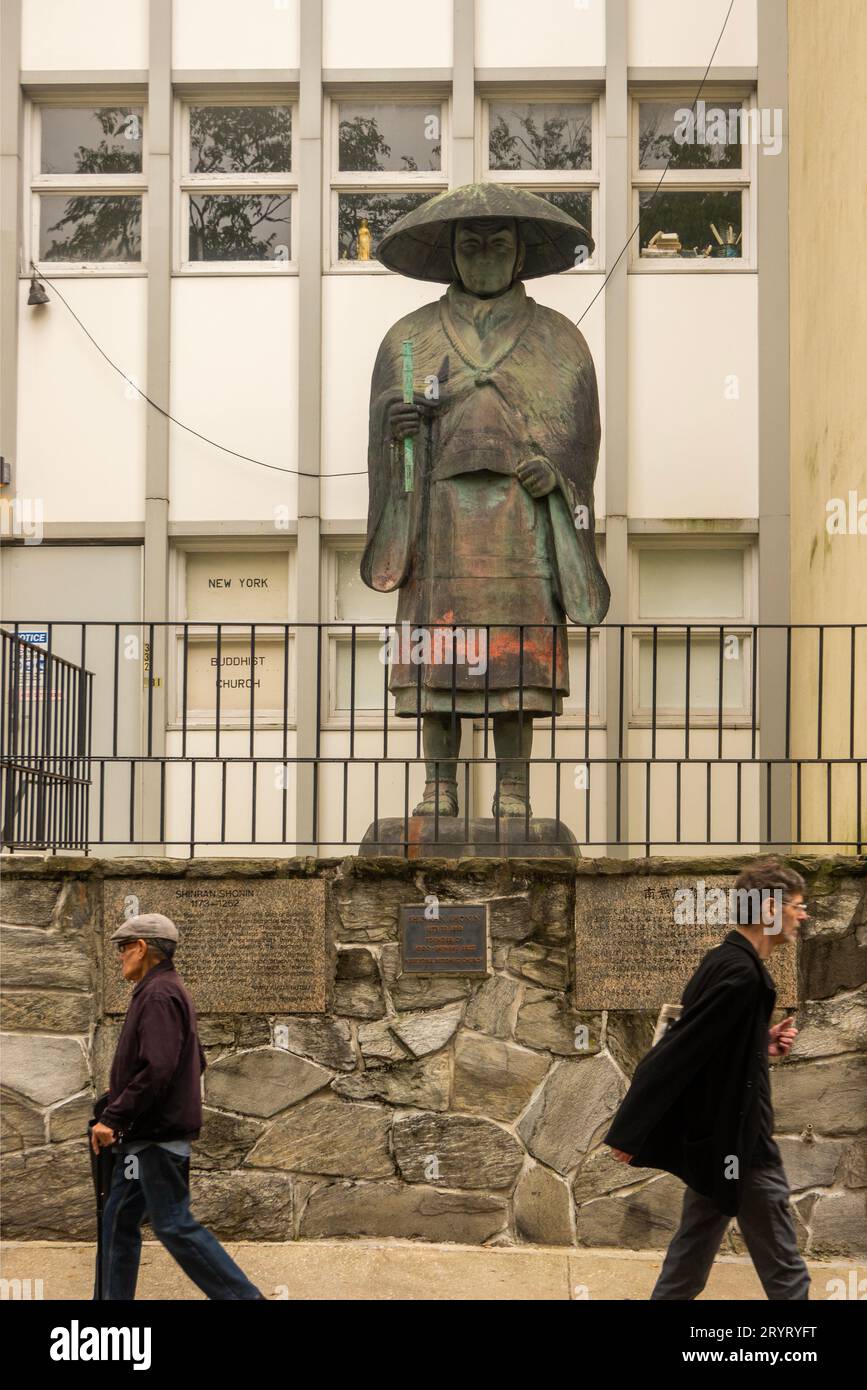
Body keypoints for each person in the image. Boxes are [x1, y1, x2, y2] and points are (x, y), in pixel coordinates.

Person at [363, 184, 610, 818]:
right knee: (438, 656)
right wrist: (400, 426)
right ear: (449, 253)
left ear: (521, 252)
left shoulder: (560, 340)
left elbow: (579, 441)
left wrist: (554, 477)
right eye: (469, 246)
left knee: (513, 659)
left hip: (520, 523)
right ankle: (438, 784)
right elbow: (384, 434)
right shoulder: (408, 337)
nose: (483, 258)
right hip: (438, 519)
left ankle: (514, 789)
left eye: (498, 245)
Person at [603, 858, 811, 1300]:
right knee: (786, 1271)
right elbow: (679, 1051)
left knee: (690, 1258)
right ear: (769, 909)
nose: (803, 914)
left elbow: (711, 1044)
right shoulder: (741, 974)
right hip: (744, 1145)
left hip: (719, 1142)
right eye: (796, 904)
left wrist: (760, 1044)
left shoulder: (724, 959)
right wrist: (631, 1130)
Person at [91, 912, 264, 1300]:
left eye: (123, 949)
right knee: (118, 1219)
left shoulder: (158, 995)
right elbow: (190, 1061)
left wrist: (114, 1115)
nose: (119, 957)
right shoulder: (164, 990)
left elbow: (160, 1067)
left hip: (155, 1140)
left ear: (140, 948)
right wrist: (119, 1087)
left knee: (173, 1224)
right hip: (146, 1138)